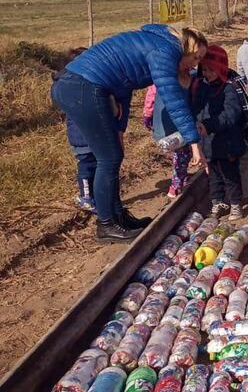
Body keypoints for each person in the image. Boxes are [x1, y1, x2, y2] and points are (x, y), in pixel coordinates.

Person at [51, 24, 208, 241]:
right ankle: (106, 225)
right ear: (186, 50)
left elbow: (123, 89)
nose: (195, 65)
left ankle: (118, 216)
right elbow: (174, 101)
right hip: (82, 86)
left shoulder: (155, 45)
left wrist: (120, 130)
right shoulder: (166, 51)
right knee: (108, 158)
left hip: (88, 86)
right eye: (196, 58)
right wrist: (194, 142)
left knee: (113, 156)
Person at [192, 46, 248, 220]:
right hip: (208, 142)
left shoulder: (229, 88)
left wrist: (209, 125)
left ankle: (235, 204)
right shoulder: (201, 86)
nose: (208, 73)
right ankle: (217, 202)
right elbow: (197, 108)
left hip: (228, 142)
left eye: (212, 70)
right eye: (205, 69)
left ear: (221, 68)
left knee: (230, 174)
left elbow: (231, 113)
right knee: (213, 175)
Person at [143, 84, 192, 201]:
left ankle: (181, 176)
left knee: (179, 153)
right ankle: (176, 185)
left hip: (164, 122)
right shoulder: (185, 78)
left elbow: (150, 97)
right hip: (178, 122)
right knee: (182, 153)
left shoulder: (158, 79)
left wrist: (147, 115)